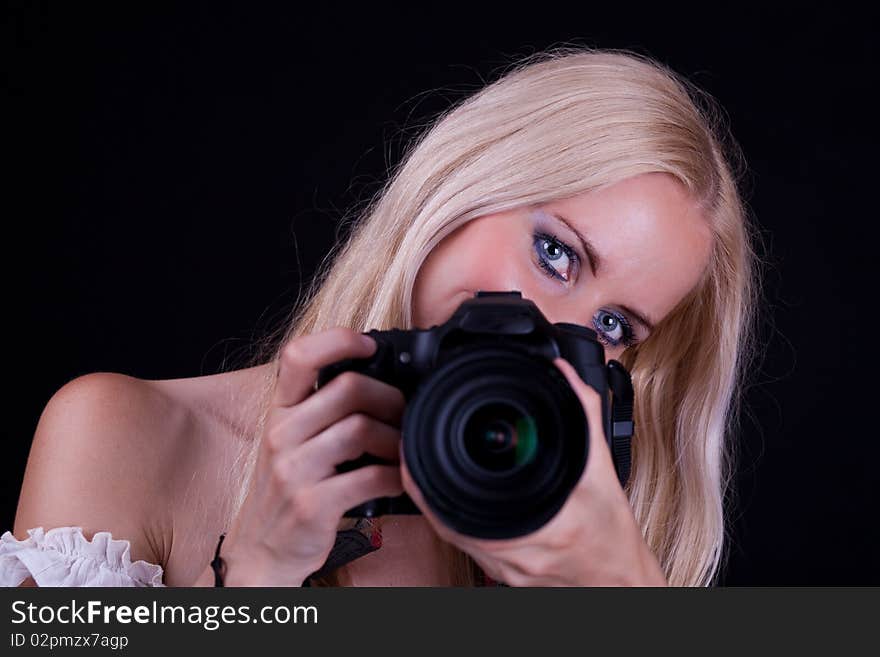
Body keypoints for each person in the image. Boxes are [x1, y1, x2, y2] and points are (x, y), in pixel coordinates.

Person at [0, 46, 764, 587]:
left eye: (612, 329)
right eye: (554, 253)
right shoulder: (128, 438)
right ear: (463, 182)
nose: (558, 334)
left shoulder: (578, 538)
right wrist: (254, 579)